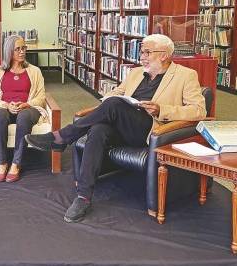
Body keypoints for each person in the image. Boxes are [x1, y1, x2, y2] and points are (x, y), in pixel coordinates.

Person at [26, 34, 206, 223]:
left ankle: (62, 137)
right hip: (123, 125)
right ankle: (84, 197)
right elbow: (116, 93)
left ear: (163, 55)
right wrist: (109, 103)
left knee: (113, 106)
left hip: (151, 131)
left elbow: (199, 111)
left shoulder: (186, 75)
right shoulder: (136, 73)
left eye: (147, 52)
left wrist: (162, 109)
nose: (141, 57)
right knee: (98, 130)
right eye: (141, 52)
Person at [0, 35, 47, 183]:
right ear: (9, 51)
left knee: (24, 117)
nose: (22, 52)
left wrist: (27, 104)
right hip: (4, 107)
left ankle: (16, 164)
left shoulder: (34, 71)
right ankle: (2, 163)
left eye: (24, 48)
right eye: (17, 49)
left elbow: (41, 97)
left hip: (27, 108)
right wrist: (6, 105)